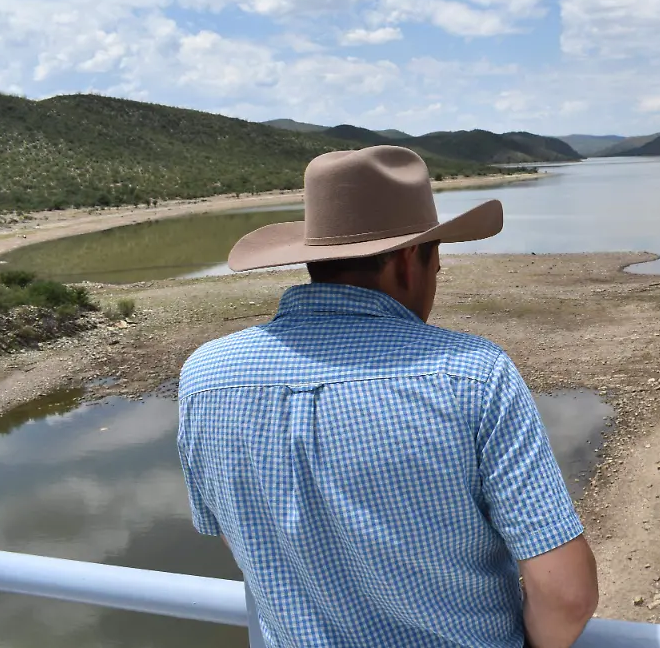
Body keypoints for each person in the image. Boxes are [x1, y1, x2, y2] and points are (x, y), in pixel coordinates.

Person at [177, 145, 598, 648]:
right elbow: (566, 594)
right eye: (436, 266)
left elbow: (243, 538)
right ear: (407, 262)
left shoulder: (205, 377)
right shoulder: (473, 374)